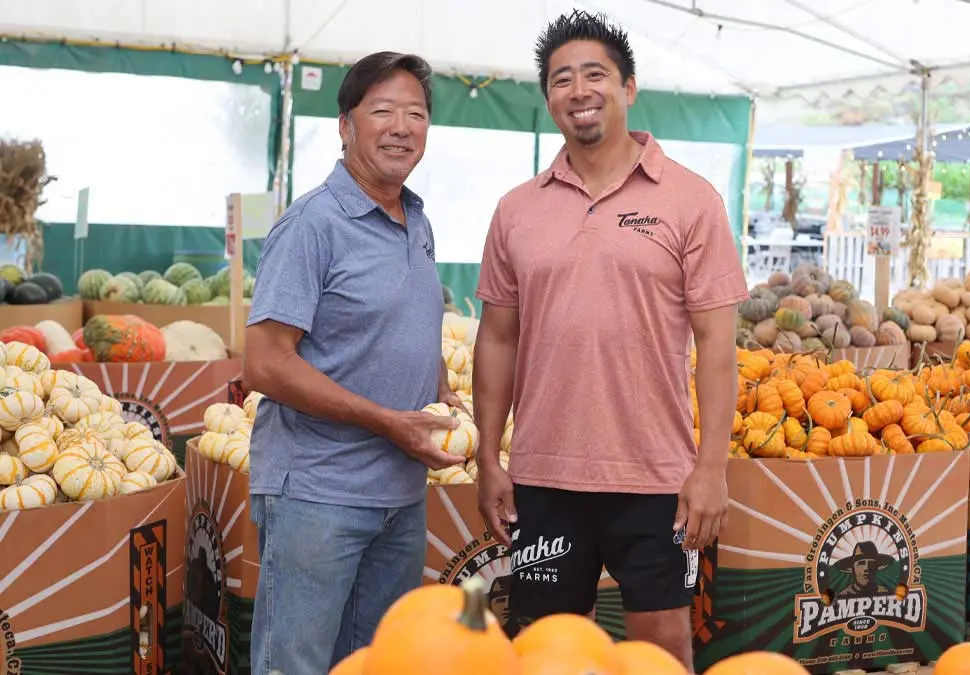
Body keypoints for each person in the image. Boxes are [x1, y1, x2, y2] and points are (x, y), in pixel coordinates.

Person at [472, 9, 748, 670]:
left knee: (662, 648)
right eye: (562, 79)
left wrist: (711, 466)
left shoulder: (691, 199)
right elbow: (497, 338)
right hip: (543, 475)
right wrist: (487, 455)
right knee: (548, 651)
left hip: (656, 476)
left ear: (628, 87)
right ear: (548, 100)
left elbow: (716, 343)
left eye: (595, 73)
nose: (579, 90)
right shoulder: (517, 208)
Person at [241, 51, 465, 675]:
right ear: (345, 125)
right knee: (299, 664)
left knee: (380, 663)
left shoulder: (414, 218)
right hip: (319, 495)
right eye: (383, 111)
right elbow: (263, 363)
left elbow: (406, 323)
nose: (402, 127)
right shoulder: (312, 224)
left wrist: (441, 394)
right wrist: (386, 421)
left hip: (399, 494)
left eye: (416, 114)